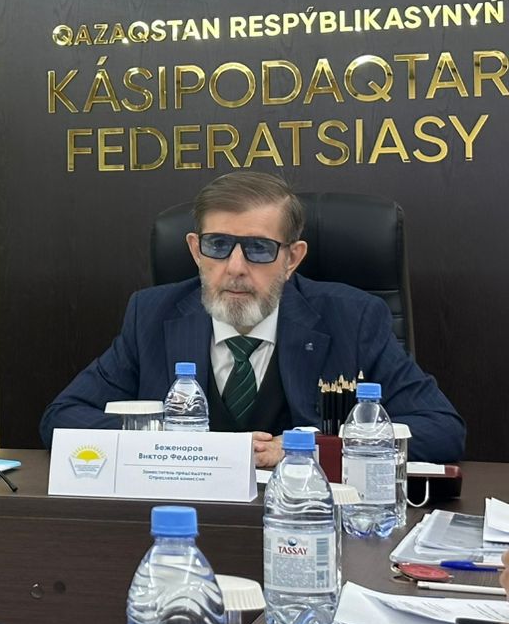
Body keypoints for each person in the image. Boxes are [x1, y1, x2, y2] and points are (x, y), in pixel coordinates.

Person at [39, 171, 464, 466]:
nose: (236, 267)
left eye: (259, 249)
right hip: (185, 519)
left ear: (292, 258)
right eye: (218, 245)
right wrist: (176, 446)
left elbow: (441, 430)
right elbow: (63, 418)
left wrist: (311, 449)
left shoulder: (352, 318)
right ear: (195, 250)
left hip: (309, 520)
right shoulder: (151, 315)